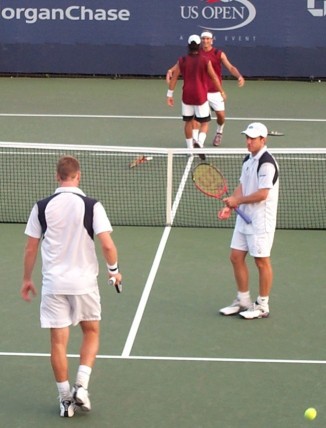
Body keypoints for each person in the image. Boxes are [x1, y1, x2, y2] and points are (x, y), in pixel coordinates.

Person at [21, 155, 122, 417]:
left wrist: (27, 279)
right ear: (79, 176)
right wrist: (114, 271)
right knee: (91, 332)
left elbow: (31, 246)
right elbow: (107, 244)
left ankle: (65, 399)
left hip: (54, 285)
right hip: (84, 284)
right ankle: (81, 387)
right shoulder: (92, 206)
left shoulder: (41, 207)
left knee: (58, 343)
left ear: (58, 176)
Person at [219, 122, 279, 319]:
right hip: (244, 219)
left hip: (261, 221)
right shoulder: (248, 159)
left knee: (261, 261)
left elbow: (262, 194)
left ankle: (262, 305)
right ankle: (243, 300)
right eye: (247, 137)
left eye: (253, 138)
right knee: (236, 257)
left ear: (263, 140)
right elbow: (243, 186)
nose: (249, 141)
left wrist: (238, 201)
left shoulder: (267, 163)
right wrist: (230, 206)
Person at [166, 30, 245, 147]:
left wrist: (239, 76)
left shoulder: (218, 54)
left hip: (214, 91)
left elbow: (230, 67)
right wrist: (170, 70)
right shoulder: (196, 54)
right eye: (203, 39)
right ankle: (196, 142)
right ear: (200, 41)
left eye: (208, 39)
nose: (205, 41)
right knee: (197, 120)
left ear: (212, 40)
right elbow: (178, 65)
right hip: (201, 92)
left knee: (221, 116)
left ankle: (219, 132)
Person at [166, 34, 226, 159]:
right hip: (200, 97)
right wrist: (221, 91)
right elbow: (214, 77)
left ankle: (189, 150)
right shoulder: (205, 60)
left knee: (188, 122)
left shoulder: (182, 60)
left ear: (188, 46)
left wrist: (169, 94)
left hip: (187, 96)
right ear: (199, 46)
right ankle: (200, 142)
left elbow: (175, 77)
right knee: (204, 123)